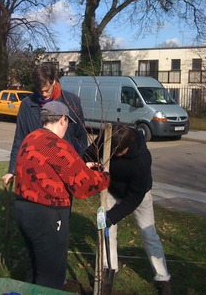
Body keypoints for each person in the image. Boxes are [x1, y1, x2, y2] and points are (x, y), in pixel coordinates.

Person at [14, 101, 110, 290]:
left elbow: (54, 167)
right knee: (51, 276)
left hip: (23, 210)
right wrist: (105, 177)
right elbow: (83, 186)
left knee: (34, 267)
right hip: (46, 215)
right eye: (67, 122)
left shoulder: (31, 138)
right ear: (63, 120)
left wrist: (84, 167)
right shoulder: (57, 145)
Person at [85, 124, 171, 295]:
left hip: (139, 196)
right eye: (113, 151)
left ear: (128, 146)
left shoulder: (141, 160)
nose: (115, 155)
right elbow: (89, 153)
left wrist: (113, 216)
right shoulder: (109, 136)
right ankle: (109, 270)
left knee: (148, 233)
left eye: (119, 153)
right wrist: (91, 164)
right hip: (110, 190)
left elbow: (134, 198)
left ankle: (163, 279)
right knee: (106, 232)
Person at [2, 63, 87, 185]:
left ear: (53, 82)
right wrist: (12, 170)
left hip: (65, 170)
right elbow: (20, 139)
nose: (44, 94)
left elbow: (81, 137)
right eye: (39, 90)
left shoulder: (72, 102)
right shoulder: (27, 106)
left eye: (47, 90)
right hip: (37, 170)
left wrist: (79, 166)